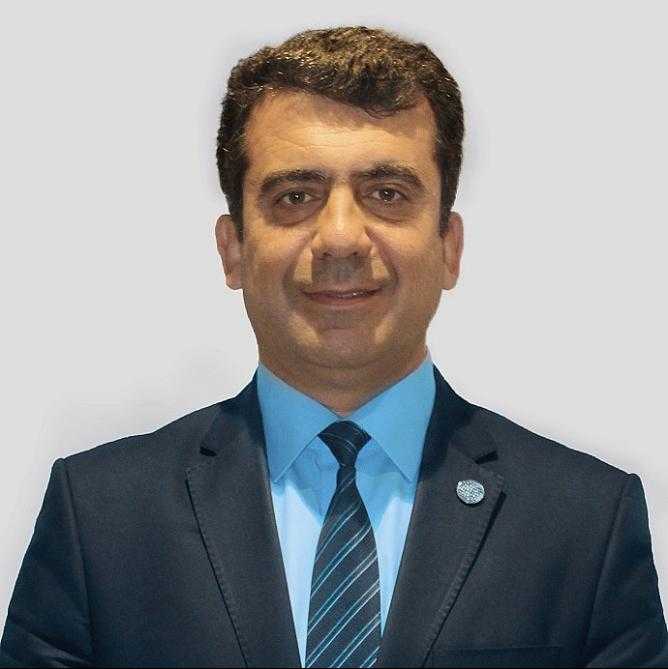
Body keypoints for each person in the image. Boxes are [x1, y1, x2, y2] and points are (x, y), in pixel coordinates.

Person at [1, 25, 666, 668]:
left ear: (449, 246)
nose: (341, 238)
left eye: (387, 193)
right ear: (232, 249)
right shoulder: (99, 517)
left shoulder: (585, 524)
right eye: (295, 196)